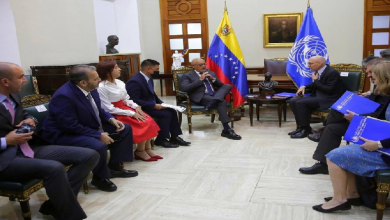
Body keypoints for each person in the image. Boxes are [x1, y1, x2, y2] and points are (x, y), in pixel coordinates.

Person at [0, 62, 99, 220]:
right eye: (20, 77)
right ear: (5, 82)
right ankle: (69, 215)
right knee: (55, 168)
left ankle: (55, 205)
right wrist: (5, 140)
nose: (25, 80)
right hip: (5, 156)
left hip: (27, 145)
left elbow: (23, 114)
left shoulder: (12, 94)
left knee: (90, 155)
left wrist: (31, 119)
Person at [40, 65, 137, 192]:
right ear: (83, 82)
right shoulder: (64, 96)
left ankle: (114, 167)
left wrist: (110, 119)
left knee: (125, 129)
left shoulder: (92, 88)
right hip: (63, 134)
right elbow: (69, 125)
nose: (100, 80)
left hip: (86, 124)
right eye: (96, 78)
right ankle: (100, 178)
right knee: (98, 145)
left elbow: (98, 109)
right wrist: (98, 135)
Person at [312, 75, 390, 213]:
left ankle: (339, 200)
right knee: (344, 149)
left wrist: (378, 144)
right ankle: (352, 194)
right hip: (384, 143)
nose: (372, 79)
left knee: (333, 156)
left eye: (376, 76)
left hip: (385, 150)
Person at [299, 58, 390, 175]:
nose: (369, 76)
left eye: (372, 73)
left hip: (376, 131)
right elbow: (373, 105)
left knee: (338, 110)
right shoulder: (380, 88)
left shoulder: (386, 92)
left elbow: (379, 116)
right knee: (333, 128)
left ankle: (323, 130)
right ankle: (323, 164)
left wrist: (356, 117)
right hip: (368, 122)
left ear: (383, 76)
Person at [96, 60, 162, 162]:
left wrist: (136, 106)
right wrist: (131, 113)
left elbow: (126, 98)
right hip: (115, 113)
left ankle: (147, 148)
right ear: (107, 71)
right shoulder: (102, 87)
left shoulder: (119, 82)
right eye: (116, 67)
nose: (119, 69)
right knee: (142, 123)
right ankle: (140, 151)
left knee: (148, 120)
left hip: (124, 108)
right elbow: (107, 108)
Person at [307, 55, 379, 142]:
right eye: (367, 72)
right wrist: (366, 94)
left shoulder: (331, 72)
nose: (368, 74)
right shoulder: (377, 79)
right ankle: (325, 131)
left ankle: (324, 131)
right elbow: (374, 93)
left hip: (374, 108)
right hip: (368, 99)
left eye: (370, 71)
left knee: (339, 110)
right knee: (337, 109)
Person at [126, 59, 191, 148]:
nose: (157, 71)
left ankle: (175, 137)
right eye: (156, 69)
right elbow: (134, 100)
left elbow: (153, 95)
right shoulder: (135, 81)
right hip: (141, 108)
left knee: (171, 111)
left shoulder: (149, 78)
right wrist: (153, 105)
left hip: (150, 105)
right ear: (148, 69)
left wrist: (162, 104)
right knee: (166, 114)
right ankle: (161, 139)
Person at [180, 58, 241, 140]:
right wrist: (200, 80)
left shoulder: (211, 73)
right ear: (193, 66)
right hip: (202, 96)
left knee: (228, 86)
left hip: (214, 94)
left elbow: (221, 86)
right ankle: (227, 129)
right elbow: (184, 88)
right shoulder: (187, 75)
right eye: (200, 65)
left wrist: (213, 79)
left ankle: (212, 103)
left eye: (204, 64)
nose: (203, 66)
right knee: (221, 102)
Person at [288, 56, 345, 138]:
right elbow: (317, 85)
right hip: (319, 96)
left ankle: (306, 129)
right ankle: (301, 127)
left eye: (310, 63)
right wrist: (304, 86)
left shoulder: (332, 72)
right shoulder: (318, 71)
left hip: (329, 98)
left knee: (301, 103)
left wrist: (315, 80)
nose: (308, 65)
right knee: (293, 101)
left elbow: (329, 89)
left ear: (319, 64)